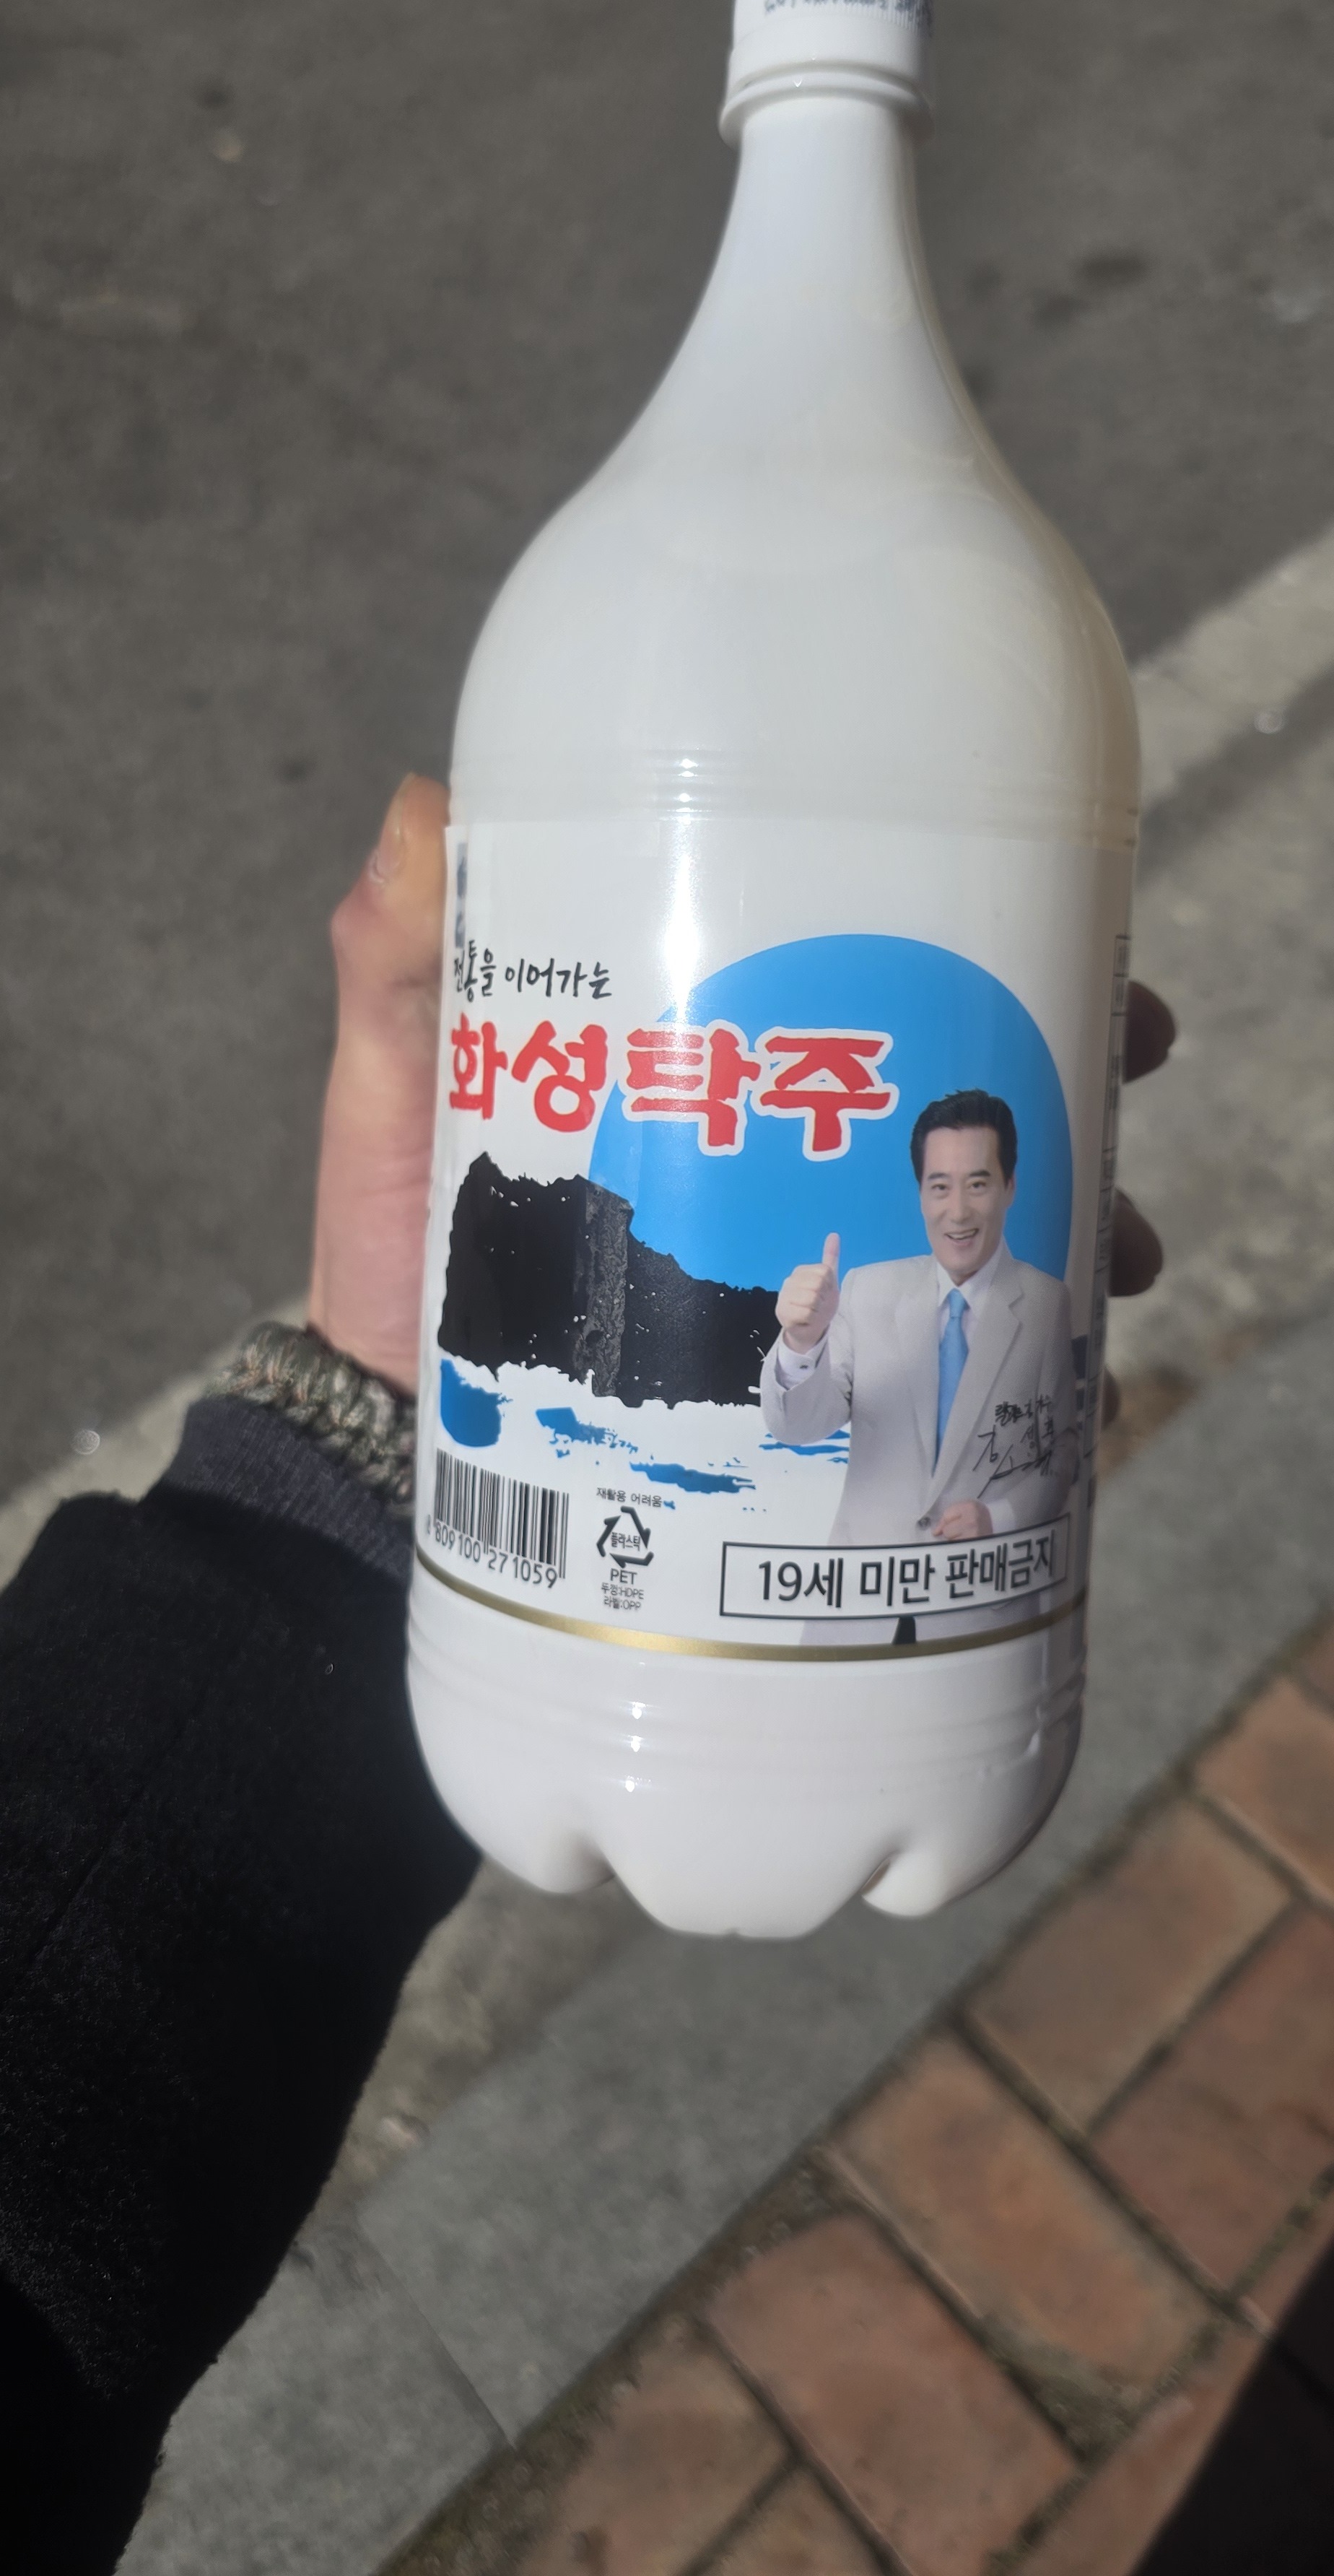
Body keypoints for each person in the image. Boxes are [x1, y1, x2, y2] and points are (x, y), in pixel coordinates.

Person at [0, 777, 1172, 2574]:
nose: (953, 1203)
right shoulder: (854, 1291)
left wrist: (341, 1487)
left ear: (1006, 1185)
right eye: (931, 1178)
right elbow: (794, 1407)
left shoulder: (1026, 1294)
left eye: (976, 1180)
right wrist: (789, 1342)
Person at [759, 1087, 1078, 1546]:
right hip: (862, 1580)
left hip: (980, 1579)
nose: (958, 1212)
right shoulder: (867, 1290)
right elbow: (798, 1427)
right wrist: (802, 1340)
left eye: (978, 1185)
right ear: (922, 1196)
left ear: (1010, 1187)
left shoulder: (1047, 1302)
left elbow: (1064, 1446)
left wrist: (1000, 1517)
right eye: (940, 1187)